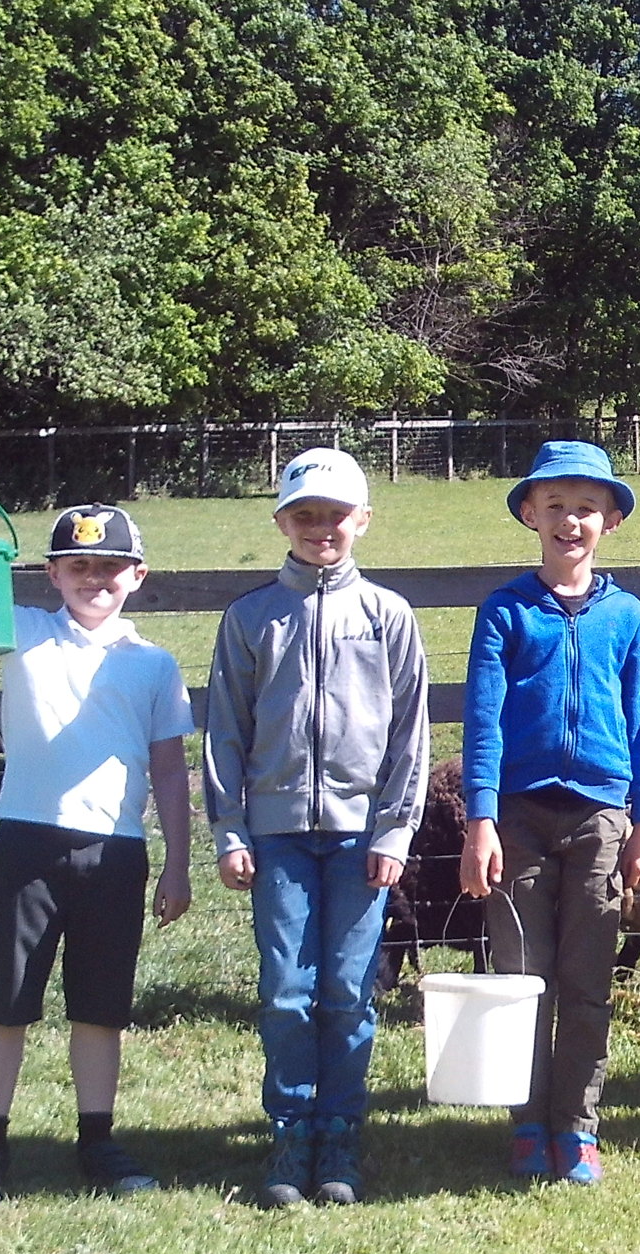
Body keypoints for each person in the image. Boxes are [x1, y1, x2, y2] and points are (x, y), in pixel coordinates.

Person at [0, 467, 194, 1214]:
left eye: (109, 566)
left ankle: (97, 1139)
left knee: (100, 1009)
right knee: (5, 1002)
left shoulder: (154, 664)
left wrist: (177, 864)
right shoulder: (24, 632)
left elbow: (169, 768)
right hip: (27, 844)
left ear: (137, 575)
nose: (93, 578)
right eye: (77, 565)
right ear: (52, 573)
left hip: (116, 852)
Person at [205, 447, 428, 1207]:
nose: (320, 529)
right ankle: (290, 1130)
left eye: (335, 516)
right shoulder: (252, 617)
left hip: (361, 835)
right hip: (276, 835)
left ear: (361, 521)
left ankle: (340, 1133)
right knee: (287, 991)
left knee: (347, 988)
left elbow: (410, 734)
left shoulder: (388, 616)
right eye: (305, 516)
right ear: (282, 523)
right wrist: (231, 830)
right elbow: (226, 731)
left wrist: (395, 831)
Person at [460, 440, 640, 1186]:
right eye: (555, 506)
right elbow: (483, 723)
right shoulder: (506, 611)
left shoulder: (629, 618)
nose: (570, 521)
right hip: (518, 818)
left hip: (602, 819)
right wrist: (481, 818)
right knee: (523, 977)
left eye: (586, 507)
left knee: (586, 981)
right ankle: (526, 1124)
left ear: (610, 520)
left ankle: (577, 1127)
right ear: (529, 515)